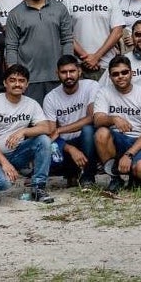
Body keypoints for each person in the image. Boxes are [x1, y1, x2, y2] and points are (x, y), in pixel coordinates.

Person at [0, 65, 54, 204]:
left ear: (27, 84)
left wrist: (24, 131)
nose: (17, 84)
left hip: (18, 153)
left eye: (21, 80)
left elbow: (46, 128)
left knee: (44, 140)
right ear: (5, 83)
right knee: (4, 184)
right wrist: (5, 163)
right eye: (12, 80)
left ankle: (38, 187)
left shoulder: (31, 104)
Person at [5, 0, 73, 103]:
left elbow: (67, 40)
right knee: (33, 122)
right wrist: (15, 77)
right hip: (28, 80)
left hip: (57, 77)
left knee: (60, 122)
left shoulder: (60, 9)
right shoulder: (15, 14)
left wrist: (67, 70)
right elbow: (11, 48)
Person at [94, 56, 141, 196]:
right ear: (110, 77)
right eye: (115, 74)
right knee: (101, 133)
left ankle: (134, 177)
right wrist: (114, 119)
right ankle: (115, 178)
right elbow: (97, 120)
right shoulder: (104, 92)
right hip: (117, 140)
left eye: (124, 72)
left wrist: (129, 155)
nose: (120, 77)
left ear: (132, 73)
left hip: (140, 141)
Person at [42, 56, 99, 187]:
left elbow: (92, 118)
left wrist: (61, 129)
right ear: (57, 74)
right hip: (66, 145)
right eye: (63, 72)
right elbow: (51, 133)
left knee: (88, 130)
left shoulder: (91, 86)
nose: (68, 76)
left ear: (79, 71)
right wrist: (70, 148)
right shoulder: (51, 98)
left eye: (72, 71)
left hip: (87, 140)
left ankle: (88, 177)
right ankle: (71, 173)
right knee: (50, 146)